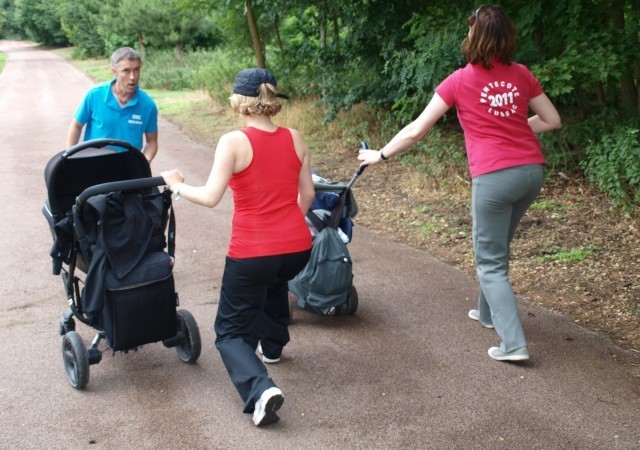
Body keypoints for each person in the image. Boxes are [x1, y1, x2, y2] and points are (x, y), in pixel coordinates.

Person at [358, 5, 561, 362]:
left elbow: (416, 130)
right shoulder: (521, 74)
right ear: (506, 37)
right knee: (498, 248)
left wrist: (381, 155)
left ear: (474, 37)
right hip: (531, 172)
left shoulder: (459, 80)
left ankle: (513, 344)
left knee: (490, 262)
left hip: (495, 177)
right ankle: (487, 313)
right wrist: (514, 129)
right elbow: (552, 119)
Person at [161, 68, 315, 426]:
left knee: (229, 333)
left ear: (239, 103)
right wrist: (288, 227)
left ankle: (260, 390)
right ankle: (273, 346)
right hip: (297, 248)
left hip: (253, 251)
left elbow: (211, 197)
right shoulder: (295, 137)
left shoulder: (233, 141)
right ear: (273, 100)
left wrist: (176, 187)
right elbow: (306, 195)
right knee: (275, 280)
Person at [66, 47, 159, 163]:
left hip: (128, 167)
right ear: (114, 72)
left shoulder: (148, 105)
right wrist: (70, 157)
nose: (132, 77)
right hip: (94, 163)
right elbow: (76, 126)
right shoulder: (95, 95)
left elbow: (152, 141)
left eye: (136, 70)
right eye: (126, 71)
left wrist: (145, 162)